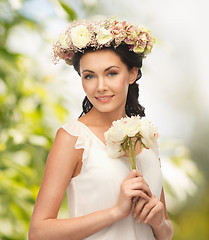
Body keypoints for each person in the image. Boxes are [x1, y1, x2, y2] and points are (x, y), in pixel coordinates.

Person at [28, 17, 173, 240]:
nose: (100, 87)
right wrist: (115, 212)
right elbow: (38, 232)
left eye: (111, 73)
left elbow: (166, 233)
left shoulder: (147, 137)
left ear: (132, 73)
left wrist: (159, 222)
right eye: (89, 76)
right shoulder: (72, 138)